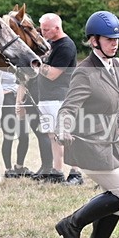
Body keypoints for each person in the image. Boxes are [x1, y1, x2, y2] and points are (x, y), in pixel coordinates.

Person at [54, 10, 119, 238]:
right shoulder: (84, 71)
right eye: (109, 39)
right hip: (88, 145)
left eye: (117, 39)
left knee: (114, 198)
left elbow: (116, 101)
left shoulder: (113, 65)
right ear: (93, 41)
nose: (115, 43)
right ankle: (71, 224)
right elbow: (68, 107)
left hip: (108, 143)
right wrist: (63, 127)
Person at [36, 13, 83, 185]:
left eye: (46, 30)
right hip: (46, 97)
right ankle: (57, 172)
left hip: (60, 98)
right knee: (52, 136)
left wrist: (35, 63)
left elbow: (53, 74)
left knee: (66, 136)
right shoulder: (49, 43)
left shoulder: (66, 46)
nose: (43, 33)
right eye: (42, 29)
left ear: (57, 28)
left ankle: (75, 173)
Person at [0, 70, 33, 178]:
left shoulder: (20, 64)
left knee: (24, 135)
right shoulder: (0, 67)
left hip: (21, 98)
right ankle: (8, 169)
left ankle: (19, 167)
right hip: (6, 99)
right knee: (9, 135)